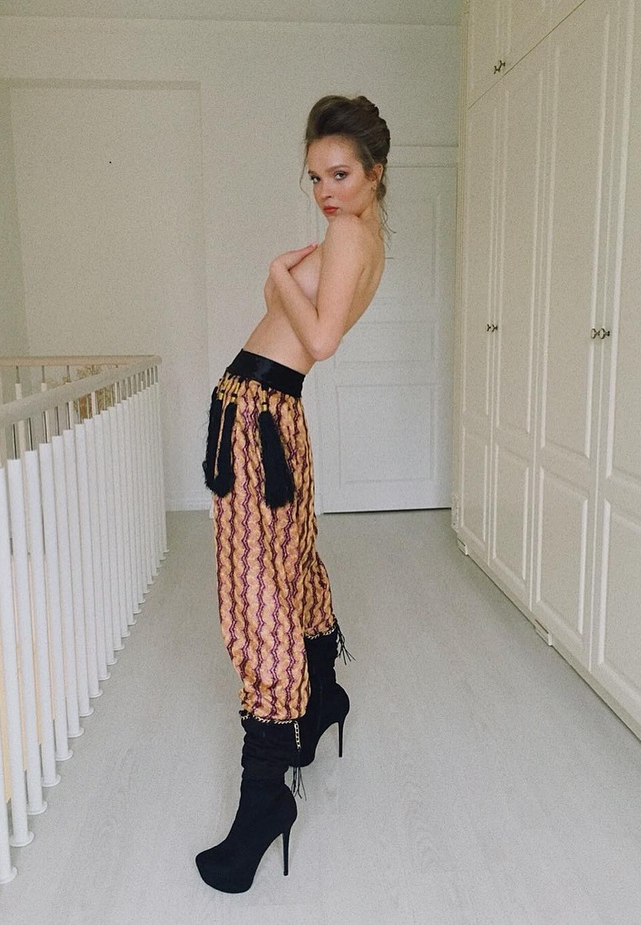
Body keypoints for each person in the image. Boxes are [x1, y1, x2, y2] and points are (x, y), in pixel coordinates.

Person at [195, 94, 390, 894]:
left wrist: (278, 276)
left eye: (340, 174)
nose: (325, 192)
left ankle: (265, 799)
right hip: (271, 413)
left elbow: (321, 338)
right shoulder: (369, 235)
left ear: (375, 170)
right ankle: (323, 696)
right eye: (314, 176)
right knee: (289, 560)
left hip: (258, 415)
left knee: (254, 592)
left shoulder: (347, 234)